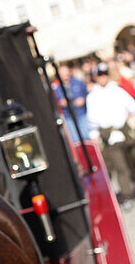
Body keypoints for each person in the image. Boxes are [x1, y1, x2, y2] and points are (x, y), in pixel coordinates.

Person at [86, 62, 135, 204]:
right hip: (110, 137)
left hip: (126, 133)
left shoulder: (116, 90)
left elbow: (131, 105)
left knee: (132, 162)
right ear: (96, 77)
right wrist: (95, 135)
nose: (103, 78)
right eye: (100, 75)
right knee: (121, 167)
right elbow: (92, 120)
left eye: (104, 74)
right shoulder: (93, 97)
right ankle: (127, 195)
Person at [53, 63, 89, 141]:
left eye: (66, 73)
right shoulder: (56, 89)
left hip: (81, 114)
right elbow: (54, 104)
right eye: (62, 74)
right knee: (75, 140)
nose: (65, 76)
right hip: (68, 117)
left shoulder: (78, 83)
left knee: (86, 137)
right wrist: (60, 103)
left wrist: (83, 99)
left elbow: (87, 94)